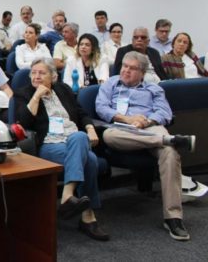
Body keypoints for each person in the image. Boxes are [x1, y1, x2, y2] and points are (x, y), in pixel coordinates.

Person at [95, 51, 196, 241]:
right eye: (124, 66)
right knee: (108, 135)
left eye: (132, 68)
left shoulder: (153, 89)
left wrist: (147, 121)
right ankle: (169, 140)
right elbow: (101, 107)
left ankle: (173, 217)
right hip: (122, 129)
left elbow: (164, 112)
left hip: (150, 127)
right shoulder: (110, 84)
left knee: (170, 153)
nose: (126, 71)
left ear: (142, 73)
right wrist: (127, 119)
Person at [14, 58, 108, 241]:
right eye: (33, 73)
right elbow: (23, 123)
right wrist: (37, 96)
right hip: (50, 144)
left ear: (53, 76)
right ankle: (88, 216)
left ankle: (67, 196)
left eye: (42, 73)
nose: (36, 76)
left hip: (74, 141)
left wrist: (90, 128)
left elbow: (81, 113)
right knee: (90, 160)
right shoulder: (23, 94)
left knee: (79, 137)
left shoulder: (63, 89)